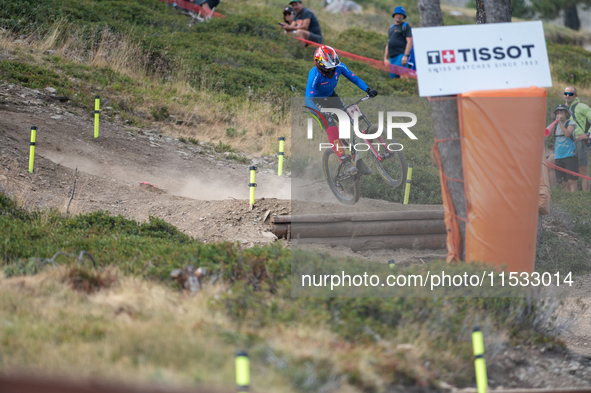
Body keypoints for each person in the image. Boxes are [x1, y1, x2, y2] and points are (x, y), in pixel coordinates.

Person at [305, 45, 378, 176]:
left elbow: (354, 78)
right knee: (333, 129)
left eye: (334, 67)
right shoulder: (314, 74)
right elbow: (308, 99)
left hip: (332, 98)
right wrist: (320, 112)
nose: (332, 70)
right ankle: (346, 163)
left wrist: (367, 89)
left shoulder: (339, 67)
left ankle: (358, 161)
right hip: (317, 102)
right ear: (319, 65)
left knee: (351, 124)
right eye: (329, 68)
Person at [564, 86, 591, 191]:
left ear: (575, 95)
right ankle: (571, 200)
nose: (567, 95)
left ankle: (585, 198)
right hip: (567, 143)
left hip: (579, 141)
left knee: (582, 170)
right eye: (565, 93)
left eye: (570, 93)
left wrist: (588, 134)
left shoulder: (582, 106)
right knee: (568, 171)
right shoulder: (564, 109)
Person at [550, 104, 578, 193]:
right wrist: (554, 124)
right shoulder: (555, 125)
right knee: (564, 182)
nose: (559, 114)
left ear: (566, 113)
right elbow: (547, 135)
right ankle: (568, 202)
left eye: (561, 112)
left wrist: (560, 123)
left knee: (571, 181)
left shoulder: (570, 123)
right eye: (557, 113)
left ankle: (576, 201)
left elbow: (567, 134)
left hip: (569, 155)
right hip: (558, 156)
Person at [383, 6, 414, 79]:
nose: (398, 16)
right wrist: (385, 58)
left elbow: (409, 42)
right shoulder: (391, 28)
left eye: (400, 14)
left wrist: (405, 56)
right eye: (397, 14)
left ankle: (407, 90)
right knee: (393, 79)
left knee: (403, 77)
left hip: (401, 56)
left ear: (403, 16)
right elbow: (389, 43)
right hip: (392, 59)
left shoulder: (406, 26)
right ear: (394, 15)